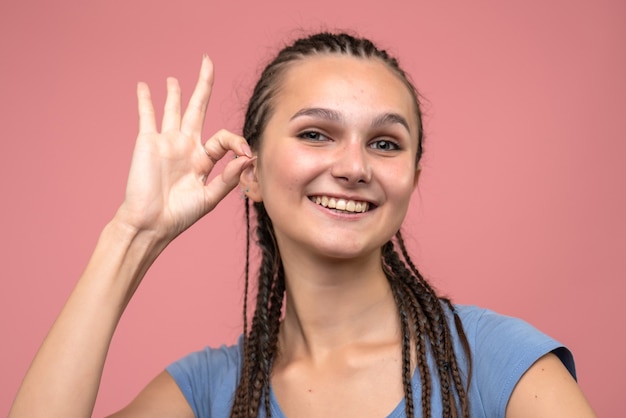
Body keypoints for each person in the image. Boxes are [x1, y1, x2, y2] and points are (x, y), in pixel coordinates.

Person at [9, 32, 596, 418]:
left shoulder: (503, 366)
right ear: (252, 172)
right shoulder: (211, 392)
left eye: (385, 143)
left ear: (412, 180)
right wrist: (133, 235)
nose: (354, 167)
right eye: (316, 133)